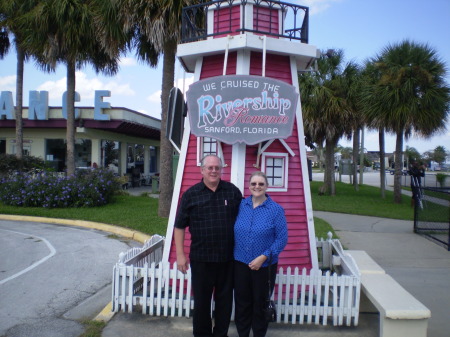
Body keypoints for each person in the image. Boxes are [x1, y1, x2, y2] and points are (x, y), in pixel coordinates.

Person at [174, 154, 242, 337]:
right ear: (202, 170)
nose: (213, 171)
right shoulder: (190, 195)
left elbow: (244, 221)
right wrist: (180, 255)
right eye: (210, 168)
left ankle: (221, 334)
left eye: (217, 168)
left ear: (221, 170)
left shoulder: (233, 192)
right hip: (201, 259)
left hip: (227, 259)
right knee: (202, 303)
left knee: (225, 302)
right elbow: (179, 226)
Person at [233, 171, 288, 337]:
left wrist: (263, 257)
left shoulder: (275, 210)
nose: (257, 187)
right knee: (242, 303)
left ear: (266, 187)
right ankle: (242, 334)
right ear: (249, 186)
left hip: (264, 266)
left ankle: (258, 334)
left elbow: (281, 239)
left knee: (260, 304)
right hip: (240, 262)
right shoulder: (241, 206)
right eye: (254, 184)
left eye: (261, 184)